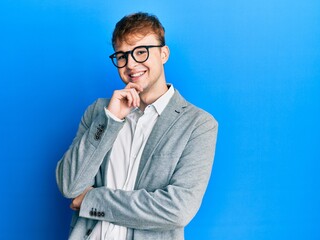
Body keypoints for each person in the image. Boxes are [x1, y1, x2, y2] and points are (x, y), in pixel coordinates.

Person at [56, 12, 218, 240]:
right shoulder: (98, 112)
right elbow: (70, 186)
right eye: (121, 56)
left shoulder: (198, 124)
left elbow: (178, 210)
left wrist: (94, 200)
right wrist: (110, 119)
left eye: (141, 52)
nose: (131, 64)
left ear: (164, 53)